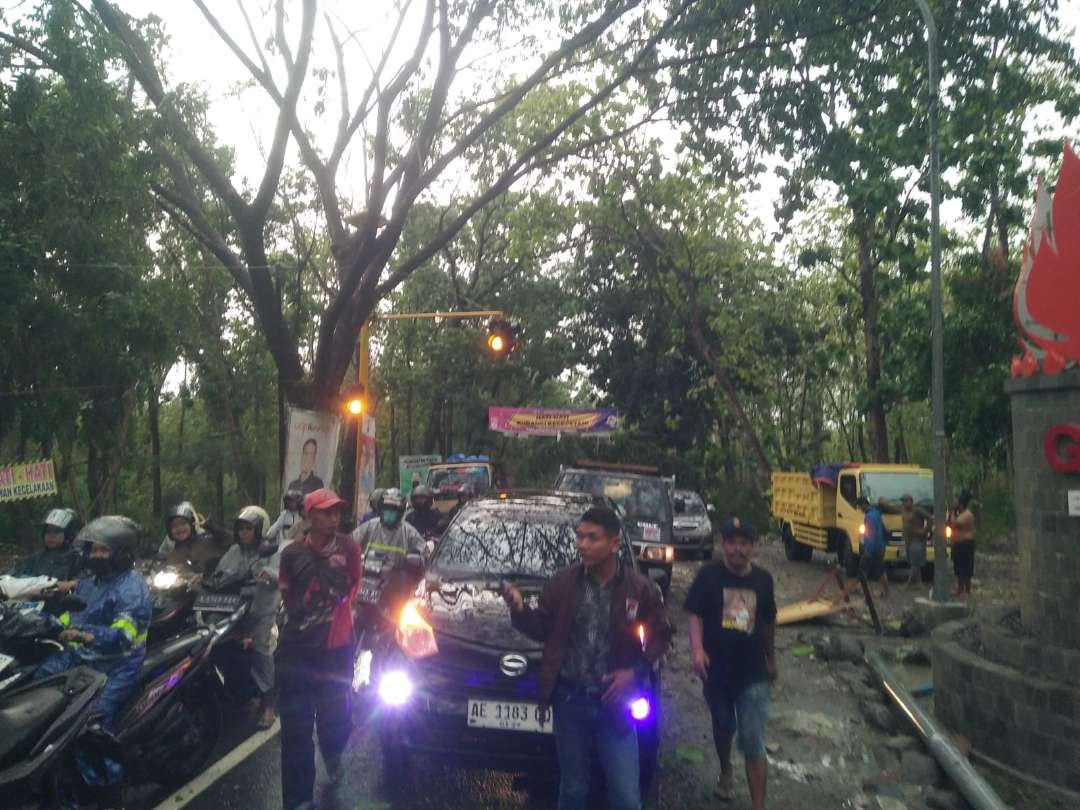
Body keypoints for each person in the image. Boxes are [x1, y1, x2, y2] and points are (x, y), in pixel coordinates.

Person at [501, 505, 672, 810]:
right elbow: (542, 629)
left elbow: (660, 636)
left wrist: (634, 673)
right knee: (573, 790)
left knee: (626, 797)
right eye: (580, 537)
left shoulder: (640, 589)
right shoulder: (562, 583)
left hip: (615, 705)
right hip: (571, 702)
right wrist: (519, 610)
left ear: (615, 544)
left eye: (592, 538)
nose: (582, 544)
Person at [35, 516, 152, 808]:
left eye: (104, 550)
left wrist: (84, 635)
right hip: (81, 659)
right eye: (94, 550)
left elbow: (122, 636)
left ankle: (107, 792)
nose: (96, 556)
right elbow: (70, 617)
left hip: (117, 665)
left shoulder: (131, 588)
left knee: (90, 726)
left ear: (121, 553)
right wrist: (41, 624)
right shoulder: (89, 583)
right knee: (35, 689)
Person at [276, 488, 362, 810]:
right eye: (326, 512)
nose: (333, 518)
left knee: (336, 715)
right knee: (295, 730)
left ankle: (334, 754)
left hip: (335, 649)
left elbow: (352, 587)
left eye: (336, 512)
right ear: (310, 515)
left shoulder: (350, 549)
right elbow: (287, 593)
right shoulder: (291, 554)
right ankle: (298, 799)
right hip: (296, 651)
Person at [684, 517, 776, 809]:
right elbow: (694, 614)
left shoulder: (763, 580)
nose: (738, 549)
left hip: (753, 672)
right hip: (717, 669)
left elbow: (768, 622)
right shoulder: (708, 576)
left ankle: (758, 805)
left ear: (753, 547)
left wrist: (771, 658)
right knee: (723, 725)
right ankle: (726, 768)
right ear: (723, 545)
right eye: (732, 542)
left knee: (753, 739)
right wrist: (697, 650)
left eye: (744, 543)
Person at [209, 505, 281, 729]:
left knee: (261, 654)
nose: (243, 533)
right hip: (234, 611)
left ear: (260, 529)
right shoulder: (234, 551)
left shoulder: (269, 550)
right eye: (240, 528)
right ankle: (246, 697)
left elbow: (280, 575)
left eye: (249, 528)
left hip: (261, 613)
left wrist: (267, 574)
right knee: (217, 646)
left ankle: (270, 707)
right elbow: (220, 573)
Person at [8, 507, 83, 580]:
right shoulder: (37, 557)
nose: (51, 536)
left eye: (56, 531)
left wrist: (69, 584)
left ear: (68, 534)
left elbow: (82, 581)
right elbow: (15, 572)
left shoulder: (75, 558)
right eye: (48, 531)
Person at [157, 501, 230, 573]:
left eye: (183, 523)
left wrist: (213, 527)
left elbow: (229, 540)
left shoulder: (207, 540)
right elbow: (161, 574)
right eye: (174, 526)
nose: (179, 528)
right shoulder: (172, 556)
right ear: (169, 531)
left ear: (192, 524)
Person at [879, 494, 932, 589]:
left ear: (911, 501)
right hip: (908, 540)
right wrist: (884, 503)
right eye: (903, 501)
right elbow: (892, 508)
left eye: (905, 501)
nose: (903, 503)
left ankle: (909, 582)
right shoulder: (902, 510)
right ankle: (919, 582)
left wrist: (924, 530)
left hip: (917, 539)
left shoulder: (917, 510)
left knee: (915, 561)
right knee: (913, 561)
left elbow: (930, 518)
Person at [858, 496, 889, 598]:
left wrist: (868, 550)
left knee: (864, 568)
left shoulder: (870, 516)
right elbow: (884, 530)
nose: (860, 510)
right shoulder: (876, 513)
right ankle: (884, 591)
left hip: (873, 547)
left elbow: (871, 535)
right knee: (879, 570)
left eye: (860, 507)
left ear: (863, 505)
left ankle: (864, 590)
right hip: (880, 546)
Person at [951, 490, 976, 598]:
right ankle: (960, 589)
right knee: (958, 567)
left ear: (960, 503)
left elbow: (955, 524)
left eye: (955, 501)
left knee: (966, 567)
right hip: (958, 544)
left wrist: (952, 512)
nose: (954, 502)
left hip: (965, 543)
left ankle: (967, 590)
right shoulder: (960, 514)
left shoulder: (967, 514)